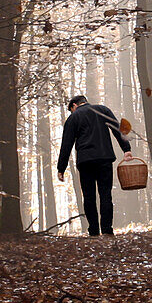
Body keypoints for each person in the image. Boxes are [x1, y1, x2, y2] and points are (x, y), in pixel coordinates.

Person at [57, 94, 131, 237]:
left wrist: (61, 168)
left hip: (85, 162)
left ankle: (94, 231)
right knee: (105, 194)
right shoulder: (103, 110)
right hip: (104, 158)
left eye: (71, 109)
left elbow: (66, 144)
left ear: (74, 106)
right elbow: (117, 129)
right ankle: (107, 229)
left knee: (89, 196)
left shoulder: (73, 118)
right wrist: (126, 149)